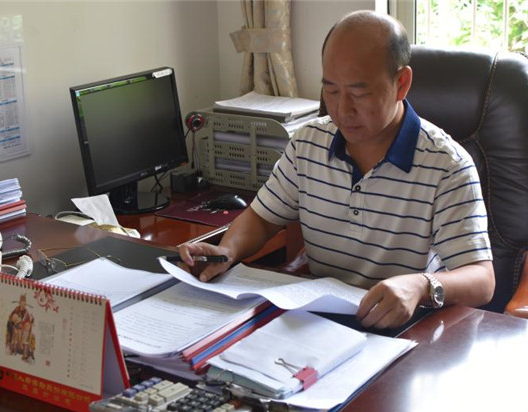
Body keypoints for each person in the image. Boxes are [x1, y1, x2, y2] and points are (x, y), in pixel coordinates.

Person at [179, 10, 495, 329]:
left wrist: (421, 286)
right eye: (331, 91)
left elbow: (482, 279)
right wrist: (226, 251)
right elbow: (262, 218)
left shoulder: (446, 165)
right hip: (319, 325)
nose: (343, 110)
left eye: (359, 93)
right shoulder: (307, 144)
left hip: (406, 330)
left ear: (401, 83)